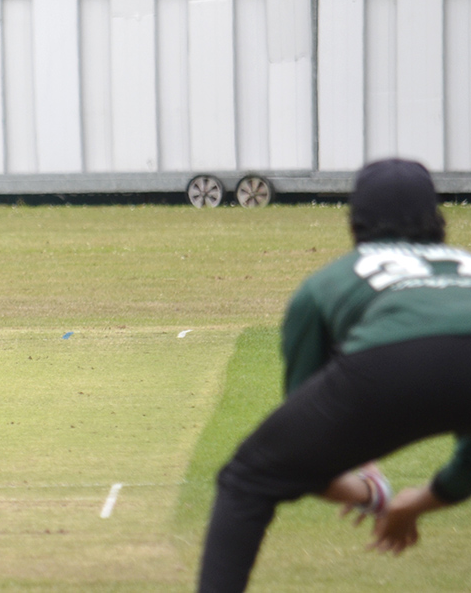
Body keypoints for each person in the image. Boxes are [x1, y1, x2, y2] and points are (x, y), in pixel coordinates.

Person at [197, 158, 471, 592]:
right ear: (438, 219)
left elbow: (304, 448)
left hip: (389, 364)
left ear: (355, 222)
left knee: (247, 479)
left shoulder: (330, 280)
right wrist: (419, 503)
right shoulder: (465, 262)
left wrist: (370, 495)